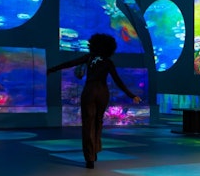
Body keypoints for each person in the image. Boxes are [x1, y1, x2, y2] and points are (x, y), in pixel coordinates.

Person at [47, 33, 142, 168]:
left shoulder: (89, 58)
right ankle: (95, 148)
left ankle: (89, 157)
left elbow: (69, 63)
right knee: (98, 121)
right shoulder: (108, 62)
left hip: (89, 92)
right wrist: (132, 95)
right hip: (103, 92)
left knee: (88, 124)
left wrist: (52, 69)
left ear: (93, 45)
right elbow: (118, 81)